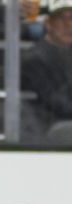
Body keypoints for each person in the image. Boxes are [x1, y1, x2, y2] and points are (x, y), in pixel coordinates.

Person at [23, 0, 72, 144]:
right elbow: (55, 102)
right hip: (49, 129)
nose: (69, 25)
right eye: (63, 19)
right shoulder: (34, 59)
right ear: (48, 23)